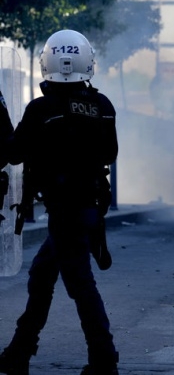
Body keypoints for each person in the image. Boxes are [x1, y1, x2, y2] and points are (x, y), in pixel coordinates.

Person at [0, 30, 119, 375]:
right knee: (41, 276)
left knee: (81, 286)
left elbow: (14, 152)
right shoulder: (102, 106)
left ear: (46, 65)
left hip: (64, 211)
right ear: (88, 63)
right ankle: (18, 354)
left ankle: (104, 360)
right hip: (89, 209)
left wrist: (3, 114)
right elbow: (110, 153)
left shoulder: (41, 109)